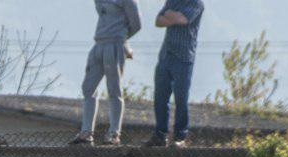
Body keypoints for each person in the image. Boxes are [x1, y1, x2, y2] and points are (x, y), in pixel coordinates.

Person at [72, 0, 141, 146]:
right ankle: (86, 132)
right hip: (99, 43)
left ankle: (114, 133)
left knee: (114, 89)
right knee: (88, 88)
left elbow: (136, 24)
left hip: (115, 44)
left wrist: (122, 39)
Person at [146, 1, 203, 148]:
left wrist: (169, 15)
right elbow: (158, 21)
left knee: (181, 98)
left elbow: (183, 20)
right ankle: (160, 135)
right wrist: (174, 16)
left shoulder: (196, 3)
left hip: (184, 58)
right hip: (166, 55)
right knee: (160, 97)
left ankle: (180, 136)